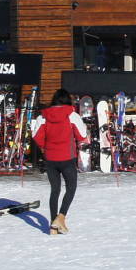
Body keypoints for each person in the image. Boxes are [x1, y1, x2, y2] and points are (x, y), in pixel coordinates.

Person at [31, 88, 88, 234]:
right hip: (67, 158)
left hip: (50, 158)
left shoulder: (43, 116)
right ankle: (61, 216)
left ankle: (53, 226)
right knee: (71, 187)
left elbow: (37, 137)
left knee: (55, 190)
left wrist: (46, 146)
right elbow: (81, 135)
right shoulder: (72, 115)